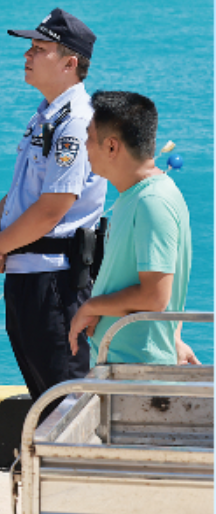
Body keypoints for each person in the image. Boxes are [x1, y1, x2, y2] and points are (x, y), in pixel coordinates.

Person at [0, 8, 107, 401]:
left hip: (56, 282)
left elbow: (53, 207)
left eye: (39, 48)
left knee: (65, 404)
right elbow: (21, 193)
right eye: (29, 47)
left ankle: (75, 466)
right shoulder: (45, 117)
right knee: (43, 399)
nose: (27, 55)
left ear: (70, 62)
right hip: (27, 274)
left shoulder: (76, 122)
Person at [68, 91, 198, 366]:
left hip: (136, 370)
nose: (85, 145)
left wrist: (91, 306)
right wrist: (173, 338)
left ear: (112, 147)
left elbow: (154, 296)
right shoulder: (138, 195)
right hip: (124, 365)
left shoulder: (152, 202)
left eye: (90, 137)